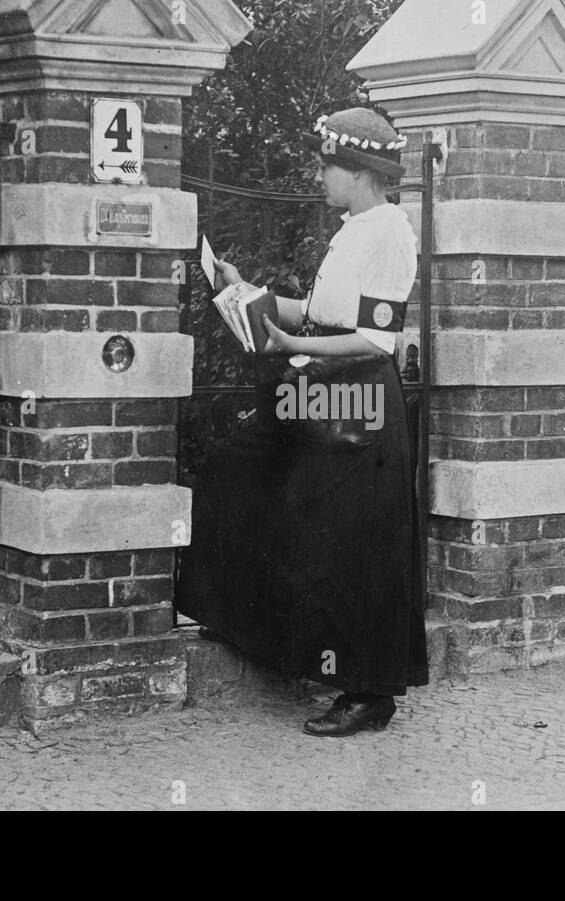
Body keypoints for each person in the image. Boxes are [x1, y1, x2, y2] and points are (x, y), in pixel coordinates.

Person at [176, 107, 428, 737]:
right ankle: (247, 621)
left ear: (360, 172)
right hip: (321, 389)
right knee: (240, 471)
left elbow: (376, 341)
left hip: (361, 402)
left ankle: (369, 695)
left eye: (327, 165)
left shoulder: (390, 232)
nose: (319, 175)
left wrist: (290, 343)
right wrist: (249, 291)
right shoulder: (355, 225)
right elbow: (322, 311)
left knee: (353, 542)